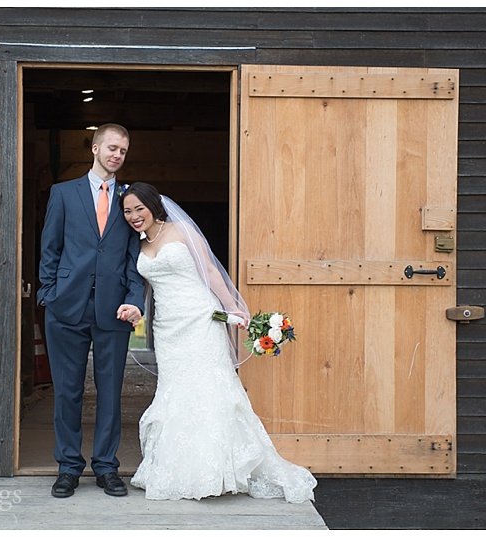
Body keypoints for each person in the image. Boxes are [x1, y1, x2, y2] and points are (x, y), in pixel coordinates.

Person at [119, 182, 318, 503]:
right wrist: (136, 311)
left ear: (154, 206)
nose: (134, 216)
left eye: (139, 209)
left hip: (200, 317)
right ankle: (181, 469)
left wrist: (232, 307)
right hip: (167, 327)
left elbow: (209, 270)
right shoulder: (137, 245)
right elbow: (141, 288)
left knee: (211, 388)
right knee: (176, 391)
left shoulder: (182, 231)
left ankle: (221, 470)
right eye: (127, 211)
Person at [37, 124, 145, 498]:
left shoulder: (130, 200)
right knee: (67, 390)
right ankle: (68, 466)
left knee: (110, 391)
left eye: (124, 151)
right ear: (96, 148)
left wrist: (135, 299)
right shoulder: (63, 194)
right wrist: (48, 294)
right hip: (66, 306)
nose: (118, 155)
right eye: (112, 148)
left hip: (113, 309)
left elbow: (135, 259)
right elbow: (49, 247)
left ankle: (106, 467)